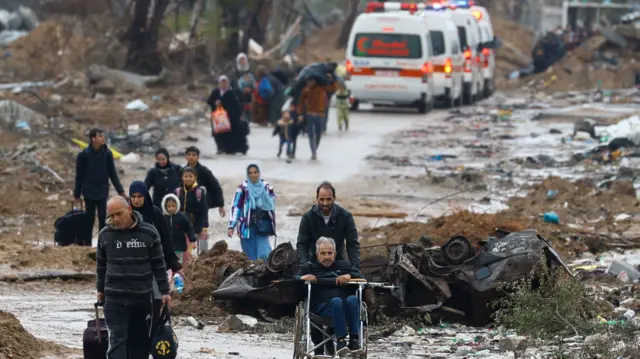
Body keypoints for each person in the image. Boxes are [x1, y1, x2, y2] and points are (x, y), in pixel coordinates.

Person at [96, 196, 171, 359]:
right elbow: (101, 266)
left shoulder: (149, 233)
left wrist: (165, 291)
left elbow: (159, 264)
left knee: (140, 343)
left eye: (119, 214)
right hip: (114, 298)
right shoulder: (105, 235)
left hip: (141, 298)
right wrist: (99, 290)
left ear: (129, 210)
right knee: (117, 340)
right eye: (112, 215)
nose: (115, 219)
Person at [298, 237, 365, 355]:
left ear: (335, 254)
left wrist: (349, 276)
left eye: (330, 253)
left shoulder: (345, 266)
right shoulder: (309, 268)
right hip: (321, 310)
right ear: (317, 255)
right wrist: (302, 277)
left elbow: (362, 279)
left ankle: (354, 340)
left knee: (352, 299)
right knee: (337, 301)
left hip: (345, 310)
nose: (327, 257)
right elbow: (290, 279)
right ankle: (341, 341)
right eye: (323, 253)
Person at [74, 128, 126, 246]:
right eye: (100, 136)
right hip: (88, 190)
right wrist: (77, 194)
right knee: (89, 218)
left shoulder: (107, 154)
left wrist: (121, 190)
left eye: (103, 136)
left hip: (102, 190)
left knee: (103, 217)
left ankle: (102, 243)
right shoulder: (83, 155)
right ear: (93, 139)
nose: (103, 138)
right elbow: (79, 176)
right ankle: (87, 243)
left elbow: (112, 173)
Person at [296, 181, 360, 269]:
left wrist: (355, 268)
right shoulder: (308, 218)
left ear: (334, 198)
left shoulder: (345, 217)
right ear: (317, 198)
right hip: (314, 264)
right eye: (322, 199)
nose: (325, 203)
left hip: (338, 263)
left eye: (328, 199)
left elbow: (352, 244)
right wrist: (304, 266)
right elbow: (302, 244)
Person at [128, 181, 182, 274]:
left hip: (153, 263)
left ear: (145, 196)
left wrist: (174, 265)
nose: (136, 200)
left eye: (139, 196)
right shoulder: (127, 214)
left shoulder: (155, 213)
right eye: (133, 196)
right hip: (132, 264)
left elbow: (165, 238)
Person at [228, 164, 276, 261]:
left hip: (262, 227)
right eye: (250, 173)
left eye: (255, 172)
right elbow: (236, 207)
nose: (253, 175)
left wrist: (273, 225)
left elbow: (271, 206)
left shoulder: (267, 188)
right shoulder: (243, 189)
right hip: (246, 227)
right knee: (250, 257)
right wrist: (231, 226)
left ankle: (266, 274)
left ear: (259, 173)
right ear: (247, 174)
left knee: (264, 254)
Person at [297, 75, 337, 160]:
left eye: (311, 81)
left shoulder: (321, 88)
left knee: (319, 134)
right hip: (310, 114)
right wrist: (300, 114)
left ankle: (314, 149)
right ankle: (314, 152)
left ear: (315, 81)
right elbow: (301, 102)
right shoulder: (306, 90)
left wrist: (332, 80)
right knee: (311, 135)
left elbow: (333, 89)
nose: (310, 83)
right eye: (308, 81)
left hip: (320, 114)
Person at [207, 75, 249, 155]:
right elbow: (209, 101)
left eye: (225, 82)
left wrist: (235, 115)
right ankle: (220, 148)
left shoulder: (231, 92)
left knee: (229, 133)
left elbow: (237, 105)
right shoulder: (216, 92)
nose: (224, 84)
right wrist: (215, 103)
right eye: (222, 82)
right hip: (218, 117)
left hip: (229, 117)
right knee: (218, 134)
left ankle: (229, 148)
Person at [175, 167, 209, 254]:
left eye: (191, 176)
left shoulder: (199, 192)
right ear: (182, 178)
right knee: (185, 251)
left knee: (203, 252)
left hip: (198, 225)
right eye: (186, 176)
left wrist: (204, 227)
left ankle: (201, 267)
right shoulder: (177, 192)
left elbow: (204, 211)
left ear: (195, 177)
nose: (188, 178)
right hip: (182, 227)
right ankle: (186, 267)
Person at [184, 146, 225, 216]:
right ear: (185, 157)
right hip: (186, 203)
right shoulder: (182, 171)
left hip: (201, 203)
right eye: (189, 155)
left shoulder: (204, 171)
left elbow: (216, 187)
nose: (191, 157)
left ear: (198, 157)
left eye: (194, 155)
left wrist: (221, 205)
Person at [161, 193, 196, 266]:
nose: (171, 208)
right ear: (165, 207)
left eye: (173, 206)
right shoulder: (163, 218)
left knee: (178, 265)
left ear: (177, 205)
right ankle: (170, 277)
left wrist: (192, 240)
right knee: (168, 265)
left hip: (179, 247)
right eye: (169, 206)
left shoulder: (181, 217)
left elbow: (188, 228)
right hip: (166, 248)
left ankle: (178, 276)